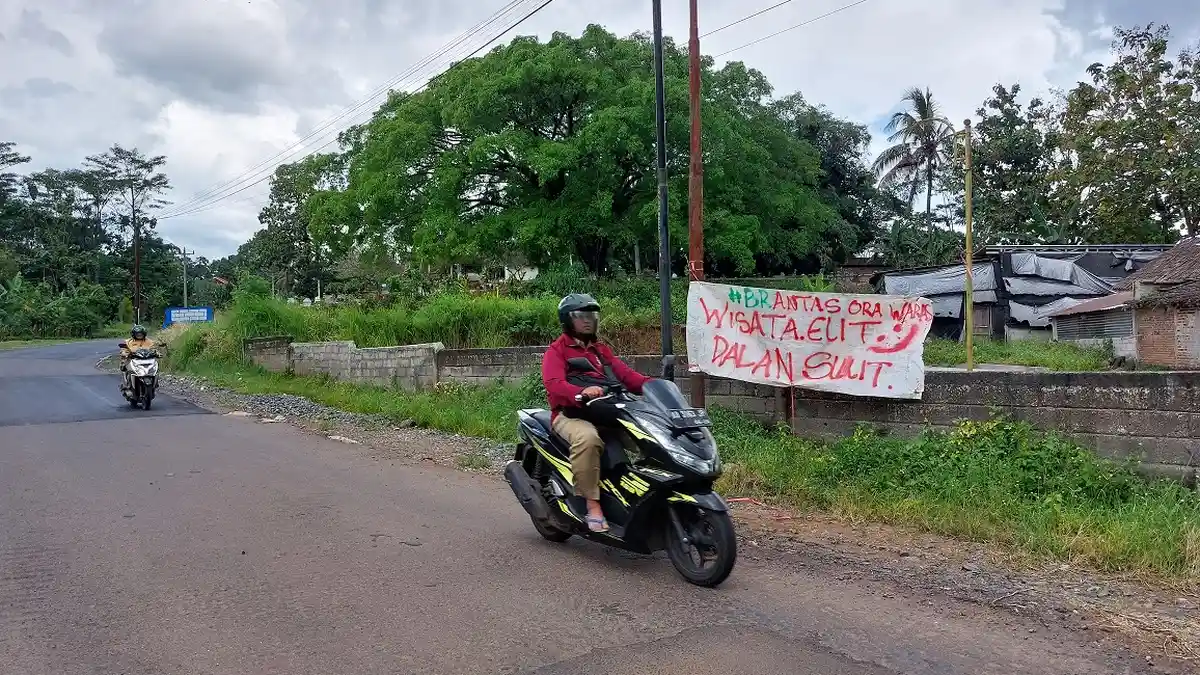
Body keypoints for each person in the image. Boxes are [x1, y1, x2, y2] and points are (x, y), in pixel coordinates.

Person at [542, 293, 649, 532]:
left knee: (648, 436)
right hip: (570, 415)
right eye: (581, 316)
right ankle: (592, 505)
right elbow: (554, 384)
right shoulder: (557, 350)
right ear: (568, 320)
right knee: (588, 439)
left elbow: (627, 376)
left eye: (591, 315)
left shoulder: (601, 351)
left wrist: (654, 386)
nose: (588, 320)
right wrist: (581, 391)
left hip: (606, 412)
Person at [119, 324, 155, 390]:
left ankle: (155, 382)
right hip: (133, 358)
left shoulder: (149, 341)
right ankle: (126, 383)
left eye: (141, 334)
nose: (139, 335)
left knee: (155, 367)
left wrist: (157, 352)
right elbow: (124, 349)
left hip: (146, 359)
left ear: (144, 334)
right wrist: (124, 353)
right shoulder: (128, 341)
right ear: (133, 334)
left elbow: (154, 348)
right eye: (137, 334)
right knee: (124, 365)